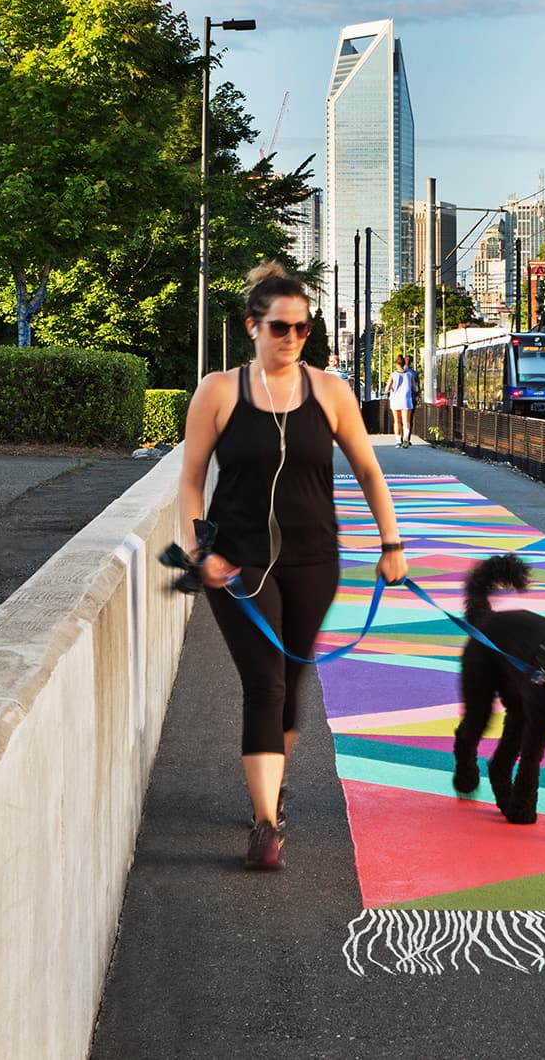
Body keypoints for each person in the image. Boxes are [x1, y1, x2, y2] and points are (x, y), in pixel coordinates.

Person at [178, 263, 408, 870]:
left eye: (304, 329)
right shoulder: (219, 391)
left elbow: (366, 469)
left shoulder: (331, 391)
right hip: (239, 562)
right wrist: (201, 549)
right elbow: (190, 480)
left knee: (291, 686)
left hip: (314, 561)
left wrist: (391, 543)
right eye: (280, 327)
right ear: (253, 327)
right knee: (265, 682)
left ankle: (270, 782)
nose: (292, 338)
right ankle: (264, 824)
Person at [386, 354, 416, 448]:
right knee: (406, 421)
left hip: (395, 400)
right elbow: (415, 389)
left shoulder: (393, 375)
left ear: (396, 364)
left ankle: (398, 441)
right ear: (404, 364)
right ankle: (406, 438)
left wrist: (391, 388)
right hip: (406, 400)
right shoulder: (409, 375)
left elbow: (387, 388)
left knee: (397, 421)